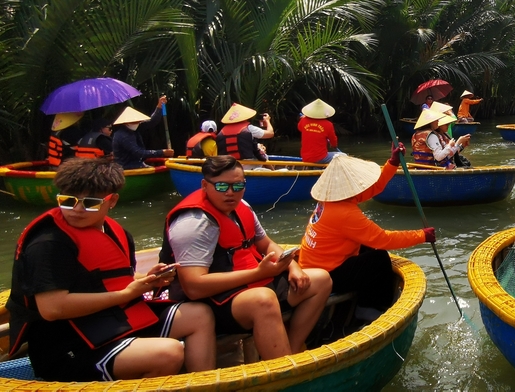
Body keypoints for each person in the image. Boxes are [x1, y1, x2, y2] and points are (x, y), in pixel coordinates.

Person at [6, 158, 216, 381]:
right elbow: (52, 308)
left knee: (199, 315)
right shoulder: (48, 243)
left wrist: (146, 279)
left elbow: (109, 278)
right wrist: (125, 295)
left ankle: (205, 384)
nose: (77, 209)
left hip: (110, 322)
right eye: (67, 201)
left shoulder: (117, 233)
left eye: (90, 203)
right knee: (168, 352)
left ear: (112, 200)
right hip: (66, 344)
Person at [160, 155, 332, 360]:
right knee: (263, 300)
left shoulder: (242, 206)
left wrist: (293, 268)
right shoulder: (193, 223)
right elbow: (193, 287)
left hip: (252, 281)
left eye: (238, 186)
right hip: (213, 300)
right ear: (205, 185)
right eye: (222, 186)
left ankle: (292, 352)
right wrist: (258, 273)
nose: (231, 193)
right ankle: (283, 366)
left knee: (320, 279)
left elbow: (265, 243)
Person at [299, 149, 435, 315]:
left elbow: (374, 188)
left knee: (368, 248)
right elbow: (384, 239)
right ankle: (371, 308)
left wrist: (392, 163)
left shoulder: (328, 200)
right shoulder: (345, 213)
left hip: (315, 265)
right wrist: (422, 235)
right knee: (379, 259)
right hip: (326, 276)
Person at [112, 98, 174, 170]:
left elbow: (152, 121)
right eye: (134, 121)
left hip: (137, 163)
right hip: (126, 166)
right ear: (126, 122)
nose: (137, 123)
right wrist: (162, 152)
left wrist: (159, 107)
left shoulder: (135, 127)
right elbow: (139, 152)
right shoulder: (122, 136)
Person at [298, 99, 342, 164]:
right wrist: (334, 145)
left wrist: (305, 119)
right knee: (343, 155)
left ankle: (316, 167)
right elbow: (333, 141)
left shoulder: (303, 120)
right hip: (320, 158)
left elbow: (300, 128)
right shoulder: (328, 124)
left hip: (305, 157)